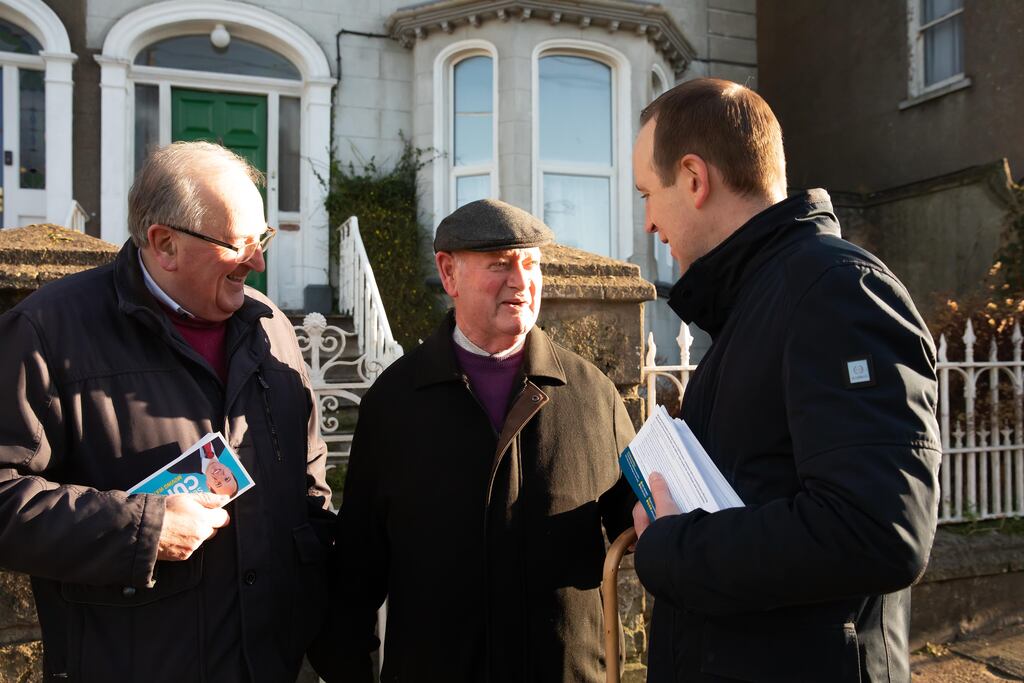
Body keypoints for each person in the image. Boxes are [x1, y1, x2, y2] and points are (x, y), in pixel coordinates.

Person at [630, 78, 940, 682]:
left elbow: (878, 530)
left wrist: (673, 548)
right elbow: (759, 483)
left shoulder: (835, 291)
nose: (647, 222)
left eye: (649, 193)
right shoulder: (758, 302)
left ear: (694, 179)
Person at [0, 141, 334, 682]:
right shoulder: (46, 331)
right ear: (164, 244)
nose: (259, 261)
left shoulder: (271, 326)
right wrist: (139, 529)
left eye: (262, 237)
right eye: (240, 243)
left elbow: (308, 483)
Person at [323, 199, 637, 682]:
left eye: (530, 263)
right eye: (500, 264)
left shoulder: (593, 393)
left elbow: (635, 529)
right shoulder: (394, 404)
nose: (520, 281)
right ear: (448, 273)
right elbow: (357, 574)